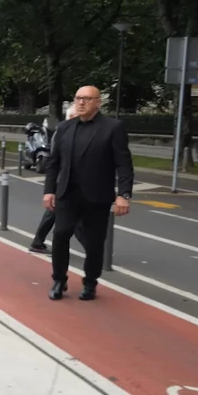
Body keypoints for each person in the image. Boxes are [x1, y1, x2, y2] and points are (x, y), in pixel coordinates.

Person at [42, 85, 134, 301]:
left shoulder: (112, 127)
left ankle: (90, 282)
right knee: (61, 234)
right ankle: (58, 280)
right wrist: (49, 191)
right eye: (78, 98)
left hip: (97, 196)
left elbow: (124, 164)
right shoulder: (65, 128)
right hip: (67, 194)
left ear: (98, 102)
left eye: (87, 99)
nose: (81, 103)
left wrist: (124, 194)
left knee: (94, 242)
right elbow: (54, 163)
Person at [29, 103, 84, 253]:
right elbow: (56, 162)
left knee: (55, 214)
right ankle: (93, 249)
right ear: (72, 117)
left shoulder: (65, 131)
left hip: (62, 183)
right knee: (76, 219)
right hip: (63, 182)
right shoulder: (64, 133)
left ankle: (37, 242)